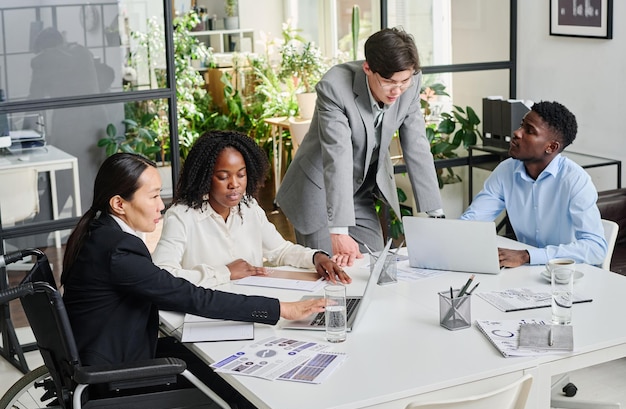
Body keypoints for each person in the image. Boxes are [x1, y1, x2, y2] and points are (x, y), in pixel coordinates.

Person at [61, 152, 326, 367]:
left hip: (110, 355)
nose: (160, 205)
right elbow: (189, 295)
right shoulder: (118, 250)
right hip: (118, 372)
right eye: (153, 196)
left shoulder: (101, 234)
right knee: (232, 382)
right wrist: (281, 309)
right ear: (119, 204)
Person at [275, 27, 443, 267]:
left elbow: (417, 145)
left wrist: (435, 214)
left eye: (404, 81)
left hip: (359, 191)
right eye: (388, 82)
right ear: (367, 69)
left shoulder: (411, 85)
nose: (397, 91)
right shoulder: (334, 87)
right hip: (319, 190)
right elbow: (338, 156)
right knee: (329, 277)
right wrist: (339, 231)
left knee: (376, 267)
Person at [152, 130, 351, 288]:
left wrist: (317, 257)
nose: (234, 184)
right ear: (205, 178)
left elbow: (280, 251)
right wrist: (225, 272)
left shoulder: (248, 207)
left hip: (252, 307)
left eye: (241, 175)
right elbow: (161, 275)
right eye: (223, 177)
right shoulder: (181, 216)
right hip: (205, 314)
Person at [460, 100, 607, 268]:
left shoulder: (575, 180)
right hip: (527, 273)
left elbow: (596, 248)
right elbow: (474, 218)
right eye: (521, 126)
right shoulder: (506, 170)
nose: (517, 133)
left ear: (551, 147)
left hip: (569, 275)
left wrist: (528, 256)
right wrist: (449, 236)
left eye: (529, 131)